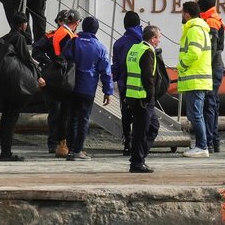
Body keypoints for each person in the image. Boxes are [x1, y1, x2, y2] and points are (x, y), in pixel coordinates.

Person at [63, 16, 112, 161]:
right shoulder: (100, 47)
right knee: (83, 119)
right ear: (96, 30)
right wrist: (107, 91)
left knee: (72, 118)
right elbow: (106, 72)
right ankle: (78, 150)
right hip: (88, 88)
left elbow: (63, 60)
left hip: (71, 86)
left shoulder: (73, 42)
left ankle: (70, 149)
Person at [0, 12, 45, 162]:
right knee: (11, 117)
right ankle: (6, 153)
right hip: (15, 83)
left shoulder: (6, 37)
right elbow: (27, 59)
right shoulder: (19, 38)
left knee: (5, 117)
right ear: (23, 25)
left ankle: (4, 150)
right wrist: (39, 75)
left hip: (5, 82)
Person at [36, 9, 81, 157]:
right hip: (55, 76)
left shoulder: (64, 35)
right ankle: (54, 142)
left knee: (62, 112)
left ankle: (60, 142)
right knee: (56, 111)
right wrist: (48, 62)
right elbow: (37, 51)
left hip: (61, 75)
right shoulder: (56, 36)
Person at [177, 1, 212, 158]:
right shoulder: (199, 29)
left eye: (182, 12)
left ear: (187, 14)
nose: (181, 15)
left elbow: (194, 53)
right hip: (198, 79)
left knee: (196, 114)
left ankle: (201, 146)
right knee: (196, 114)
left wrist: (182, 65)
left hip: (196, 79)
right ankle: (201, 145)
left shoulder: (194, 30)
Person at [125, 25, 162, 173]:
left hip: (134, 95)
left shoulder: (135, 48)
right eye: (158, 37)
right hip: (143, 97)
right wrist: (151, 96)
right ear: (153, 39)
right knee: (142, 131)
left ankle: (138, 157)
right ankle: (137, 163)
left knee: (153, 126)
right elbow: (148, 77)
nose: (159, 40)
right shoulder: (147, 52)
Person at [198, 0, 225, 153]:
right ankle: (214, 142)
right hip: (216, 67)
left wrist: (205, 68)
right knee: (213, 104)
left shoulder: (210, 22)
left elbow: (212, 50)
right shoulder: (215, 19)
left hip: (211, 68)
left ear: (202, 8)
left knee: (209, 104)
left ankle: (209, 142)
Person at [111, 11, 143, 156]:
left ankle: (127, 143)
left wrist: (116, 79)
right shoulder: (143, 41)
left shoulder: (119, 43)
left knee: (126, 114)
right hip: (141, 85)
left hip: (124, 84)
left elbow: (116, 65)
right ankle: (138, 143)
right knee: (140, 114)